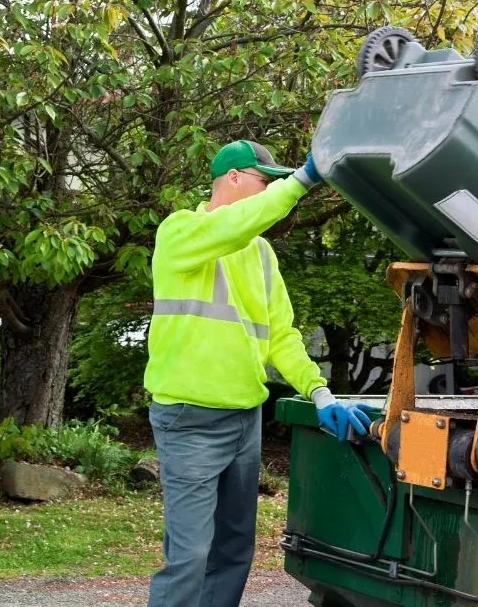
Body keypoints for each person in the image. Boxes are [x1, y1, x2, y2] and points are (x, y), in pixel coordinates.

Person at [143, 139, 373, 607]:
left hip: (244, 420)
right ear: (232, 177)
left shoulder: (262, 254)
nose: (269, 191)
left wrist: (320, 390)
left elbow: (281, 336)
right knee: (188, 557)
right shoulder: (179, 232)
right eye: (263, 181)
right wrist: (302, 182)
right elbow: (237, 224)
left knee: (233, 552)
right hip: (189, 420)